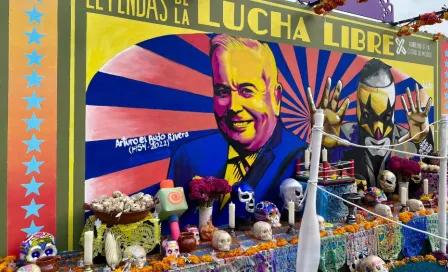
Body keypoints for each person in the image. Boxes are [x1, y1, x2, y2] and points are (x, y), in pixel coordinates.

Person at [168, 34, 307, 227]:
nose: (233, 106)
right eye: (223, 92)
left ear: (276, 98)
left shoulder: (299, 156)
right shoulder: (188, 157)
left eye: (247, 90)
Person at [306, 59, 433, 187]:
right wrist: (321, 144)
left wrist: (422, 140)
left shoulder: (406, 140)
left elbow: (425, 180)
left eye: (386, 116)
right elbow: (311, 175)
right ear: (357, 110)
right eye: (367, 115)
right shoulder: (341, 136)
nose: (378, 133)